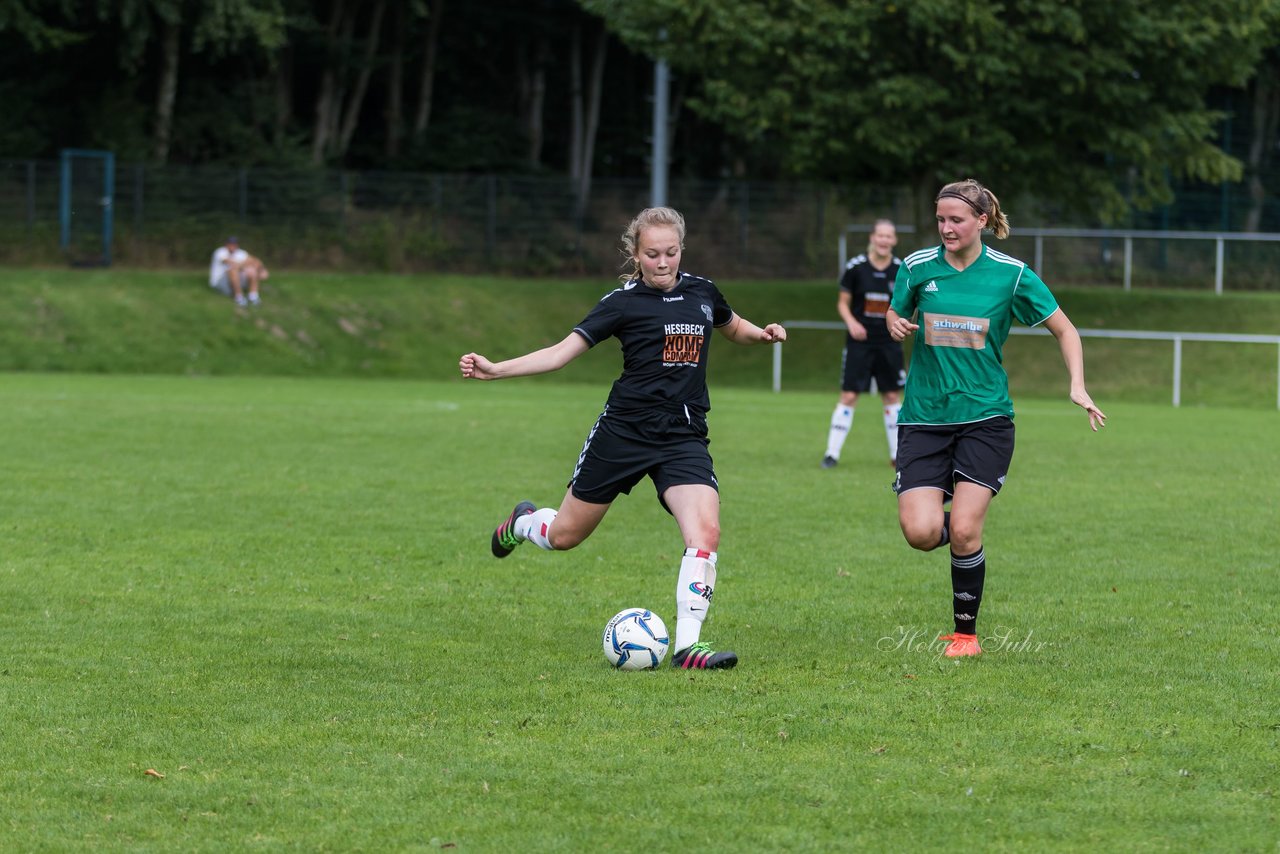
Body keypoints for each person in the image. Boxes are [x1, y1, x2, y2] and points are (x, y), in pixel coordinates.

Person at [459, 206, 787, 670]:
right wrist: (497, 370)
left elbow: (733, 327)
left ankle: (688, 649)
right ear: (635, 254)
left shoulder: (702, 291)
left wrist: (765, 335)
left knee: (706, 532)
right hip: (624, 432)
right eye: (652, 254)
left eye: (670, 252)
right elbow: (559, 354)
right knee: (565, 536)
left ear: (680, 250)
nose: (662, 262)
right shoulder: (622, 303)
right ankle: (524, 523)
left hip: (683, 435)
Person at [884, 178, 1106, 658]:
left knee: (964, 529)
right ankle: (959, 525)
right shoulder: (917, 267)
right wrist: (895, 322)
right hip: (924, 417)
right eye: (940, 219)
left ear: (981, 221)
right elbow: (894, 313)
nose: (946, 228)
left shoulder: (1012, 274)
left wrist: (1077, 385)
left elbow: (1065, 330)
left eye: (956, 220)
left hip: (986, 419)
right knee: (921, 533)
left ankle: (966, 635)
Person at [821, 219, 906, 470]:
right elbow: (842, 303)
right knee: (849, 395)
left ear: (894, 240)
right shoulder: (856, 267)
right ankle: (831, 454)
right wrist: (851, 323)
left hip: (889, 342)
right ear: (872, 237)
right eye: (880, 235)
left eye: (889, 236)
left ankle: (897, 455)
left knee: (891, 395)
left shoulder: (902, 269)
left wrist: (900, 324)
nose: (884, 240)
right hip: (860, 343)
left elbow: (907, 303)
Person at [209, 236, 269, 306]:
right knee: (233, 270)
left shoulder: (241, 252)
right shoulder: (220, 251)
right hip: (220, 282)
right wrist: (245, 264)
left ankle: (253, 297)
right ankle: (239, 297)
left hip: (236, 280)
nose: (232, 245)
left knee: (251, 270)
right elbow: (229, 262)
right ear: (226, 244)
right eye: (230, 243)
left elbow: (255, 260)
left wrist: (261, 269)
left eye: (234, 244)